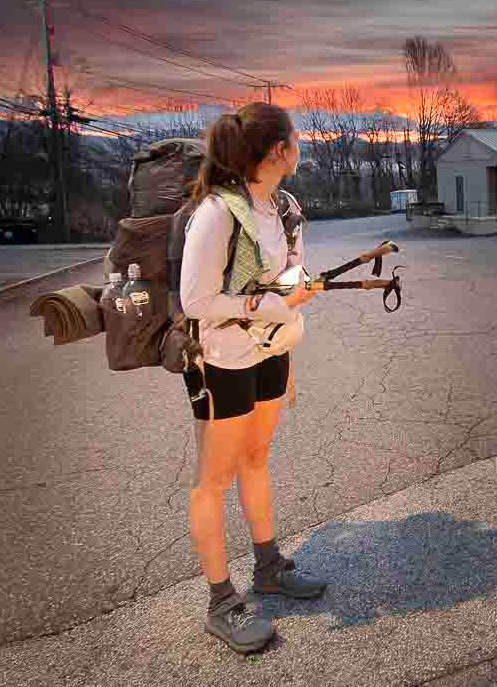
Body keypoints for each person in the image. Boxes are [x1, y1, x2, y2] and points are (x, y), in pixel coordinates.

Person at [179, 102, 322, 653]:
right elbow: (196, 299)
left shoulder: (284, 207)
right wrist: (271, 303)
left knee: (258, 459)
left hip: (271, 350)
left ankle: (268, 567)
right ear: (278, 151)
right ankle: (221, 603)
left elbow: (289, 275)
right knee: (214, 481)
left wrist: (297, 288)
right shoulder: (216, 212)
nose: (299, 145)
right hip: (223, 359)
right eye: (294, 138)